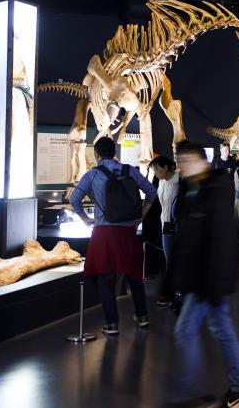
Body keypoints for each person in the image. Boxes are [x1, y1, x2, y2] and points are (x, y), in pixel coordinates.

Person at [168, 141, 239, 408]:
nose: (180, 168)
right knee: (221, 328)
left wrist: (214, 282)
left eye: (183, 162)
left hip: (210, 279)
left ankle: (192, 394)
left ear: (198, 160)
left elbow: (220, 239)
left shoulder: (214, 190)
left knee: (187, 329)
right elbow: (189, 238)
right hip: (203, 277)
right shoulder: (194, 189)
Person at [70, 137, 157, 336]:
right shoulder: (130, 171)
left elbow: (75, 199)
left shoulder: (93, 174)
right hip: (128, 233)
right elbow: (152, 192)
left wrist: (85, 219)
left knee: (105, 277)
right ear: (114, 151)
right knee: (134, 275)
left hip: (104, 233)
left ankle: (112, 324)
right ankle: (142, 317)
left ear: (97, 154)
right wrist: (140, 216)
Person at [152, 155, 180, 306]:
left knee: (173, 261)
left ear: (165, 168)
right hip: (166, 225)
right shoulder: (161, 181)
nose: (155, 172)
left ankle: (172, 293)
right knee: (169, 260)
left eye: (156, 169)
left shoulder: (179, 180)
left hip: (177, 226)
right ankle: (173, 293)